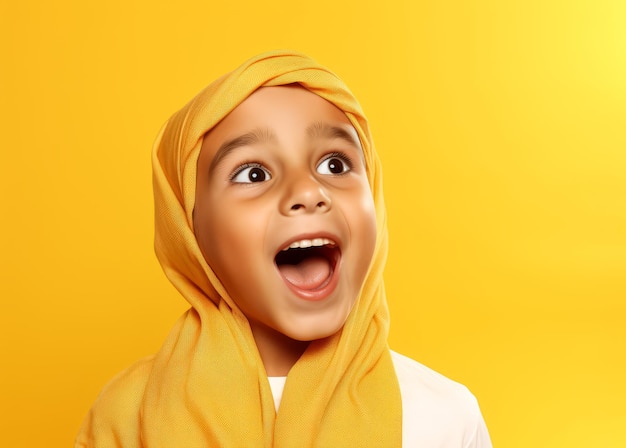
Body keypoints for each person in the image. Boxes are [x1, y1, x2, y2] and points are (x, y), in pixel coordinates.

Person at [75, 50, 492, 447]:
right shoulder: (127, 416)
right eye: (253, 173)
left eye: (335, 164)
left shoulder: (446, 419)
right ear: (189, 228)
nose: (308, 191)